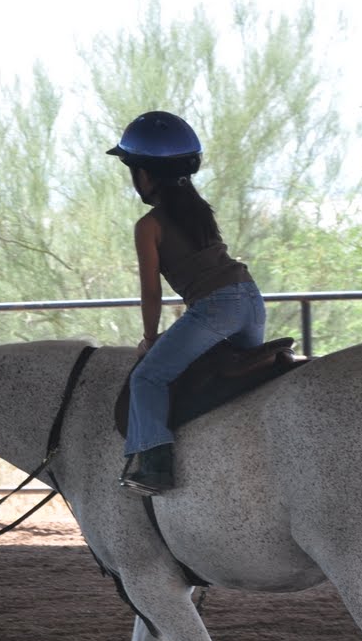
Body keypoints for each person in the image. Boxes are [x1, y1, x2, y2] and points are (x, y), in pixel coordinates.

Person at [109, 110, 267, 494]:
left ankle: (156, 467)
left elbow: (151, 292)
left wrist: (149, 337)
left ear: (143, 174)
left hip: (217, 307)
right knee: (238, 379)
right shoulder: (200, 212)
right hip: (251, 299)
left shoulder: (149, 226)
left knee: (148, 377)